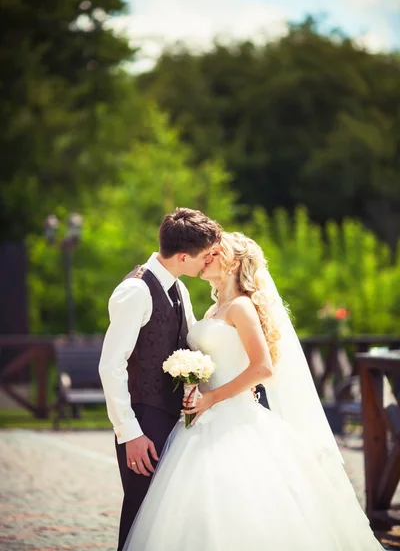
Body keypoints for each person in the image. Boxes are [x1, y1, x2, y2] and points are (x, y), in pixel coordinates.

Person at [122, 231, 384, 551]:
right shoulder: (213, 310)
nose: (206, 257)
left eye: (214, 253)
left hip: (232, 417)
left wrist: (211, 398)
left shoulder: (241, 307)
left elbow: (262, 368)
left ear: (232, 262)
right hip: (201, 419)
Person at [98, 207, 222, 551]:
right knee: (140, 515)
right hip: (143, 421)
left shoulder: (179, 289)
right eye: (204, 256)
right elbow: (111, 366)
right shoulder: (135, 291)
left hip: (172, 419)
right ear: (183, 256)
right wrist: (130, 433)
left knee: (166, 519)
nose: (207, 262)